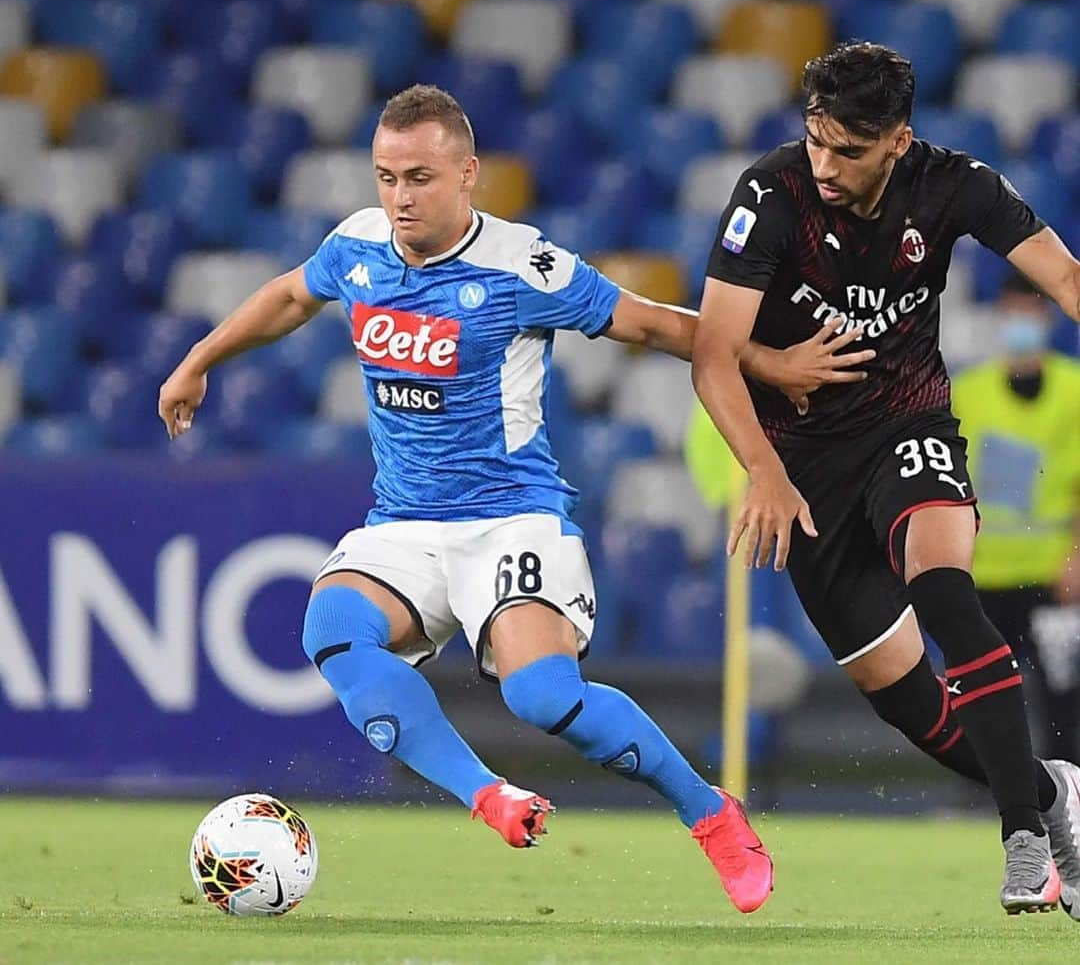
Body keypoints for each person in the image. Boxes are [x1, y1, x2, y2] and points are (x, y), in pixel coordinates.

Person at [157, 85, 866, 913]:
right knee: (333, 632)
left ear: (468, 176)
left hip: (510, 520)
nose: (400, 197)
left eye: (419, 177)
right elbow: (289, 294)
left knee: (542, 698)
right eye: (386, 176)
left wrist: (774, 364)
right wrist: (199, 358)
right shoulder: (357, 244)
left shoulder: (523, 263)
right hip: (406, 525)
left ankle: (710, 814)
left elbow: (656, 326)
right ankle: (488, 795)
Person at [690, 41, 1080, 916]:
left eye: (849, 151)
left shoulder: (955, 185)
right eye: (817, 141)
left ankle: (1022, 835)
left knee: (944, 588)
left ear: (898, 140)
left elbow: (1064, 278)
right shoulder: (770, 193)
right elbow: (713, 356)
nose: (825, 166)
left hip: (908, 428)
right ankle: (1055, 795)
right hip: (806, 474)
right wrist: (764, 470)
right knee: (916, 711)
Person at [952, 272, 1080, 763]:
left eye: (1028, 312)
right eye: (1010, 313)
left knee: (1060, 701)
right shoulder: (970, 393)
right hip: (983, 578)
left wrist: (1073, 560)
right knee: (983, 699)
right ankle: (984, 793)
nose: (1019, 324)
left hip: (1052, 579)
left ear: (1045, 317)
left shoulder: (1072, 392)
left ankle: (1065, 793)